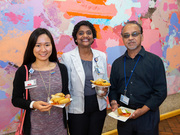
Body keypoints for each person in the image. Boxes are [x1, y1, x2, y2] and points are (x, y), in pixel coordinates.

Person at [109, 21, 167, 135]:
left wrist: (143, 110)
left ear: (142, 36)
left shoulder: (155, 61)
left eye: (134, 34)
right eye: (126, 35)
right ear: (123, 39)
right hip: (124, 117)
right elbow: (113, 89)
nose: (130, 38)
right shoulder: (117, 63)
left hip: (147, 116)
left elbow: (161, 92)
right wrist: (114, 102)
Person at [12, 28, 70, 135]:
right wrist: (33, 104)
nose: (43, 50)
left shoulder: (62, 69)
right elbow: (15, 99)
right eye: (38, 45)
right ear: (32, 47)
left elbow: (65, 92)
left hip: (59, 129)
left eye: (47, 45)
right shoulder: (23, 71)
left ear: (52, 46)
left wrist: (67, 98)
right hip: (35, 130)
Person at [61, 20, 108, 135]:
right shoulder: (67, 57)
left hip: (98, 105)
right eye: (81, 33)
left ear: (93, 37)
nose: (85, 35)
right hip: (76, 108)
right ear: (76, 38)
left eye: (88, 32)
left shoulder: (101, 56)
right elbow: (65, 86)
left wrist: (105, 91)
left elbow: (105, 80)